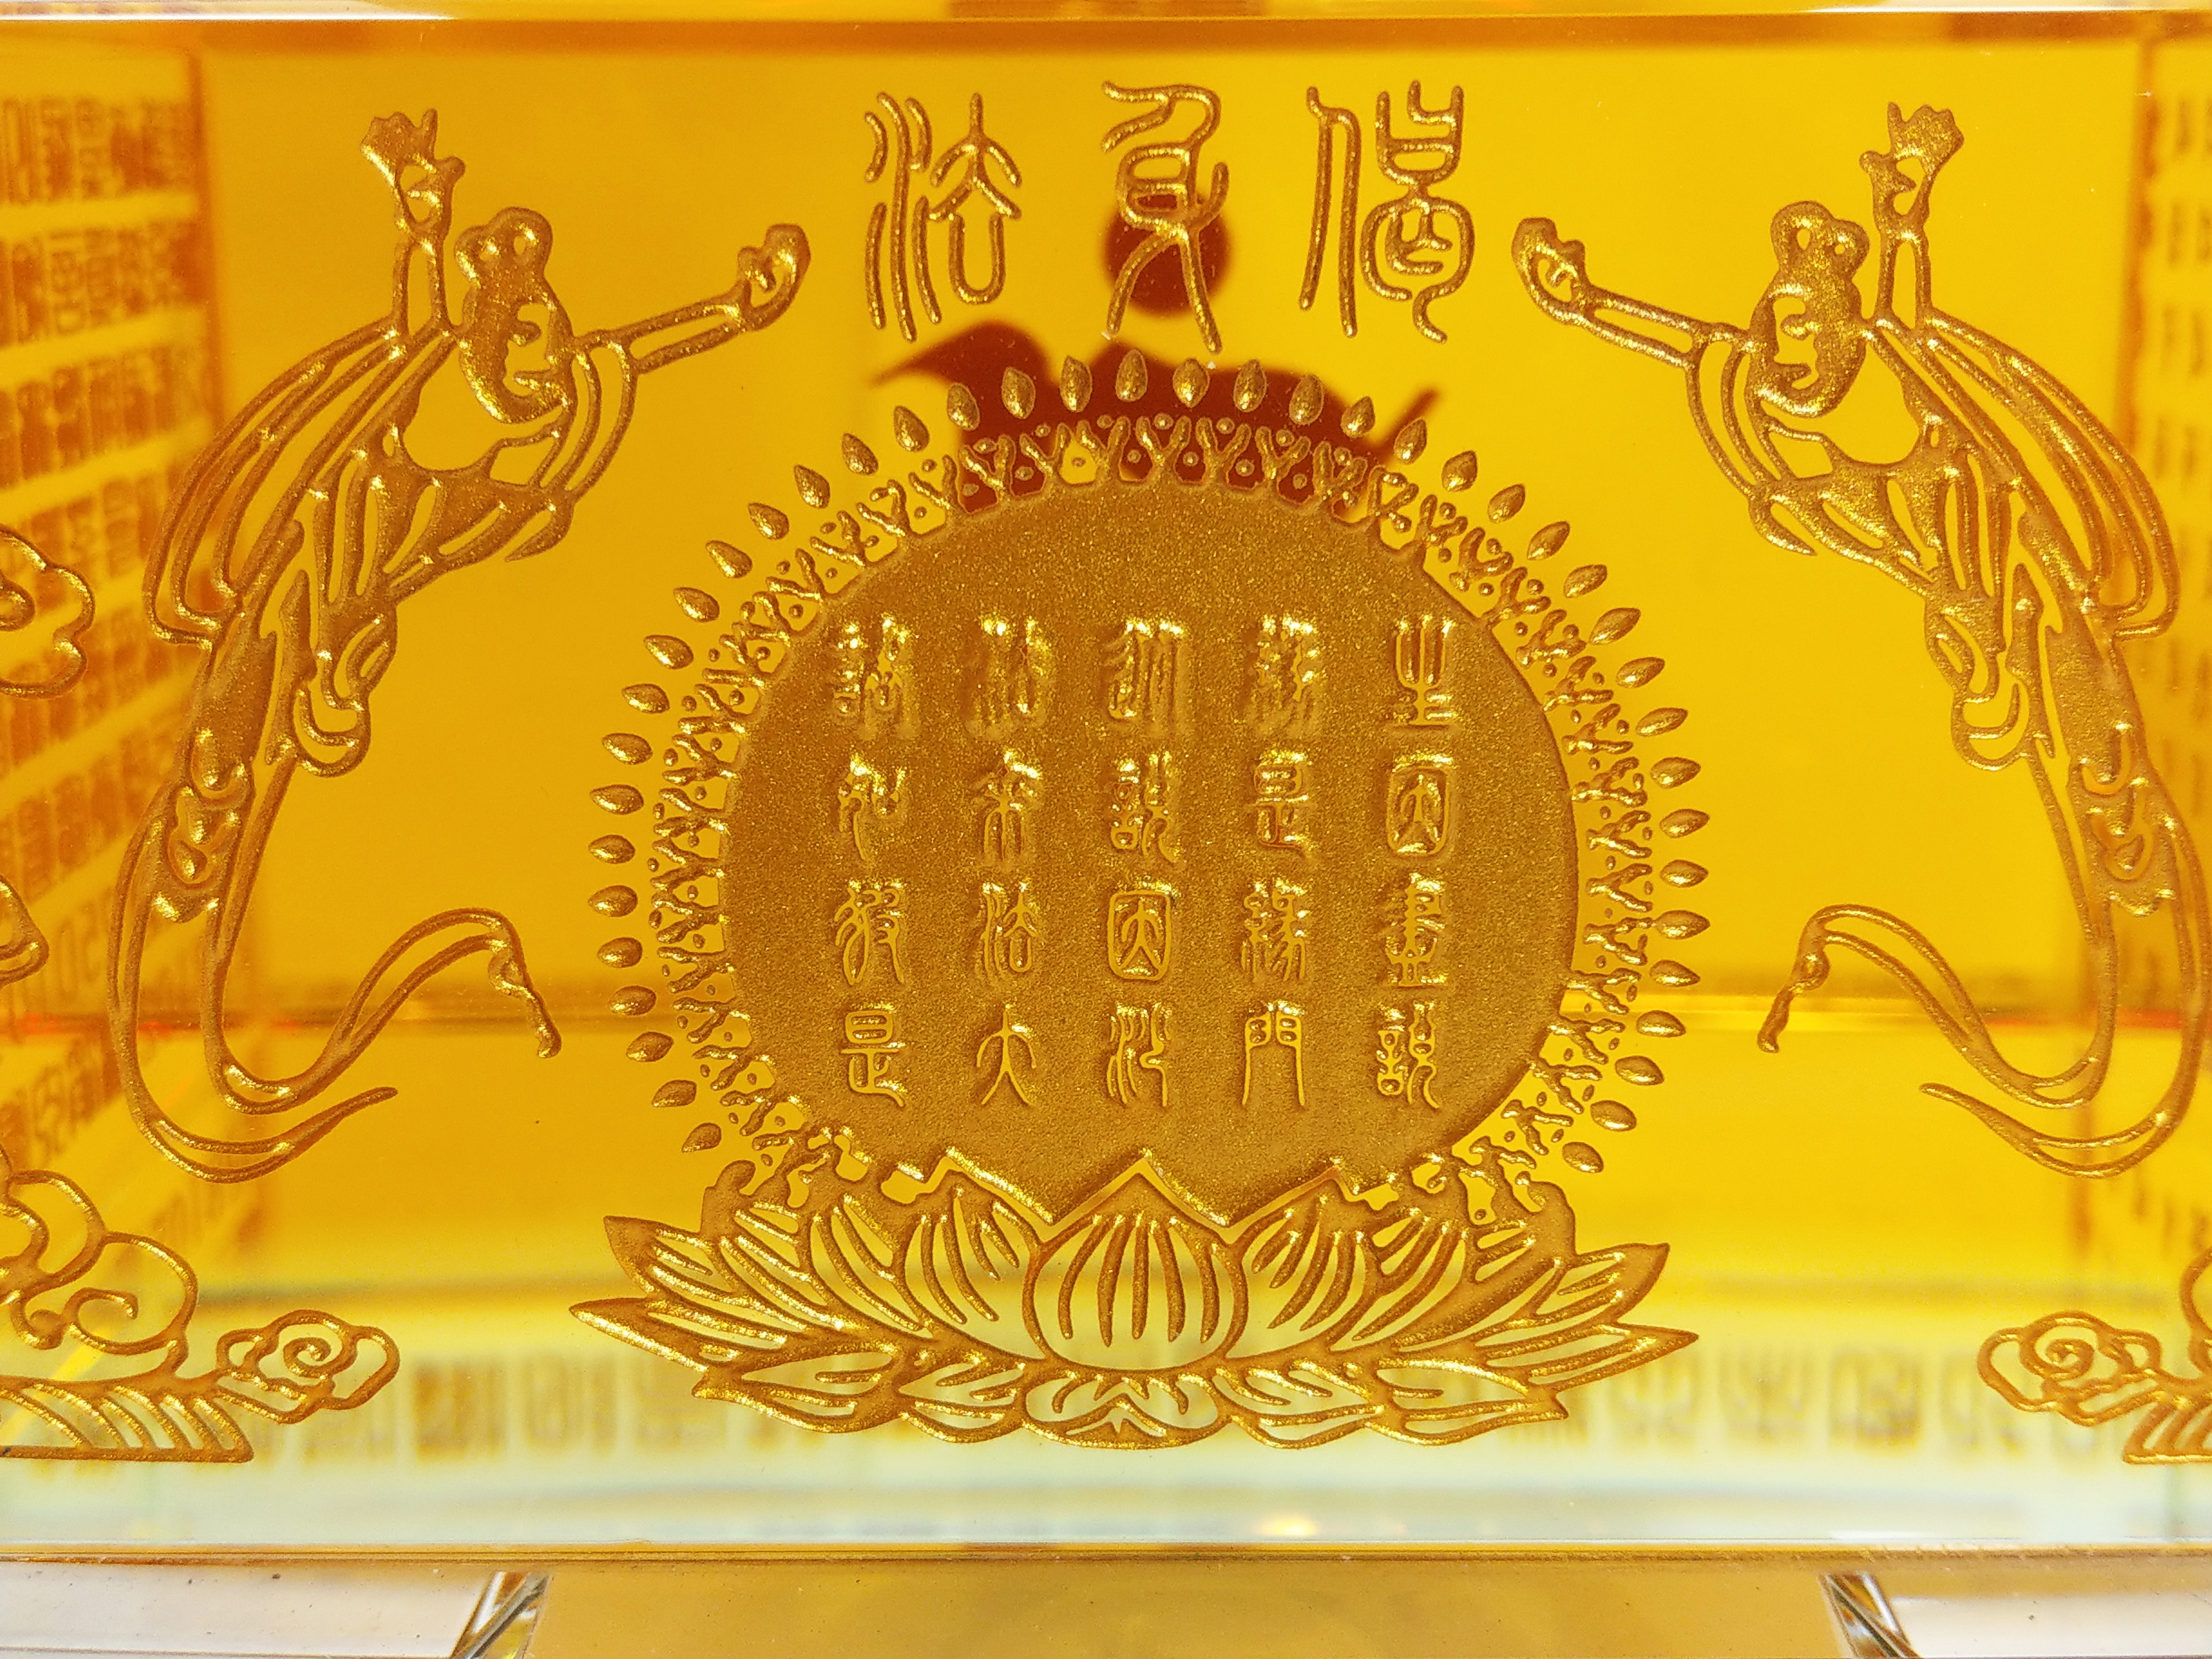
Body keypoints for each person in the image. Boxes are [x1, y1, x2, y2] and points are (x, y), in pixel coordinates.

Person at [110, 110, 809, 1181]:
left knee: (251, 791)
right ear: (485, 334)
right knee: (219, 782)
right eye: (527, 335)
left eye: (552, 335)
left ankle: (207, 1023)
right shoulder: (431, 379)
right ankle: (180, 985)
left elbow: (632, 352)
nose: (551, 355)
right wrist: (422, 219)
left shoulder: (538, 426)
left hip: (354, 625)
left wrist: (734, 311)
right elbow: (416, 320)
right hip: (298, 593)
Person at [1514, 104, 2207, 1177]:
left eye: (1804, 328)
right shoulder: (1779, 415)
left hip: (2031, 602)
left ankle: (2128, 1030)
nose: (1783, 348)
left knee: (2108, 807)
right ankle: (2090, 1051)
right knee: (2075, 817)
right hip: (1977, 632)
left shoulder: (1898, 378)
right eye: (1777, 327)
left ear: (1844, 330)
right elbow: (1698, 346)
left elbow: (1908, 321)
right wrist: (1588, 304)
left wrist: (1906, 214)